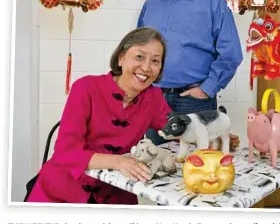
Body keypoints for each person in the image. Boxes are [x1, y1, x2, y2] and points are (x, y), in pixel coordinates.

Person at [25, 27, 172, 204]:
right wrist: (117, 162)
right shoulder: (86, 88)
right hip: (63, 191)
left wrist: (203, 130)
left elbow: (174, 127)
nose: (147, 67)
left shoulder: (153, 97)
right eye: (139, 57)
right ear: (121, 58)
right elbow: (66, 151)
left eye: (155, 61)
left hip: (114, 194)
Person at [137, 0, 243, 148]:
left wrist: (206, 89)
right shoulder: (151, 3)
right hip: (153, 99)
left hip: (194, 102)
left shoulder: (212, 0)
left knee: (199, 168)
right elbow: (137, 50)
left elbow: (231, 53)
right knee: (154, 164)